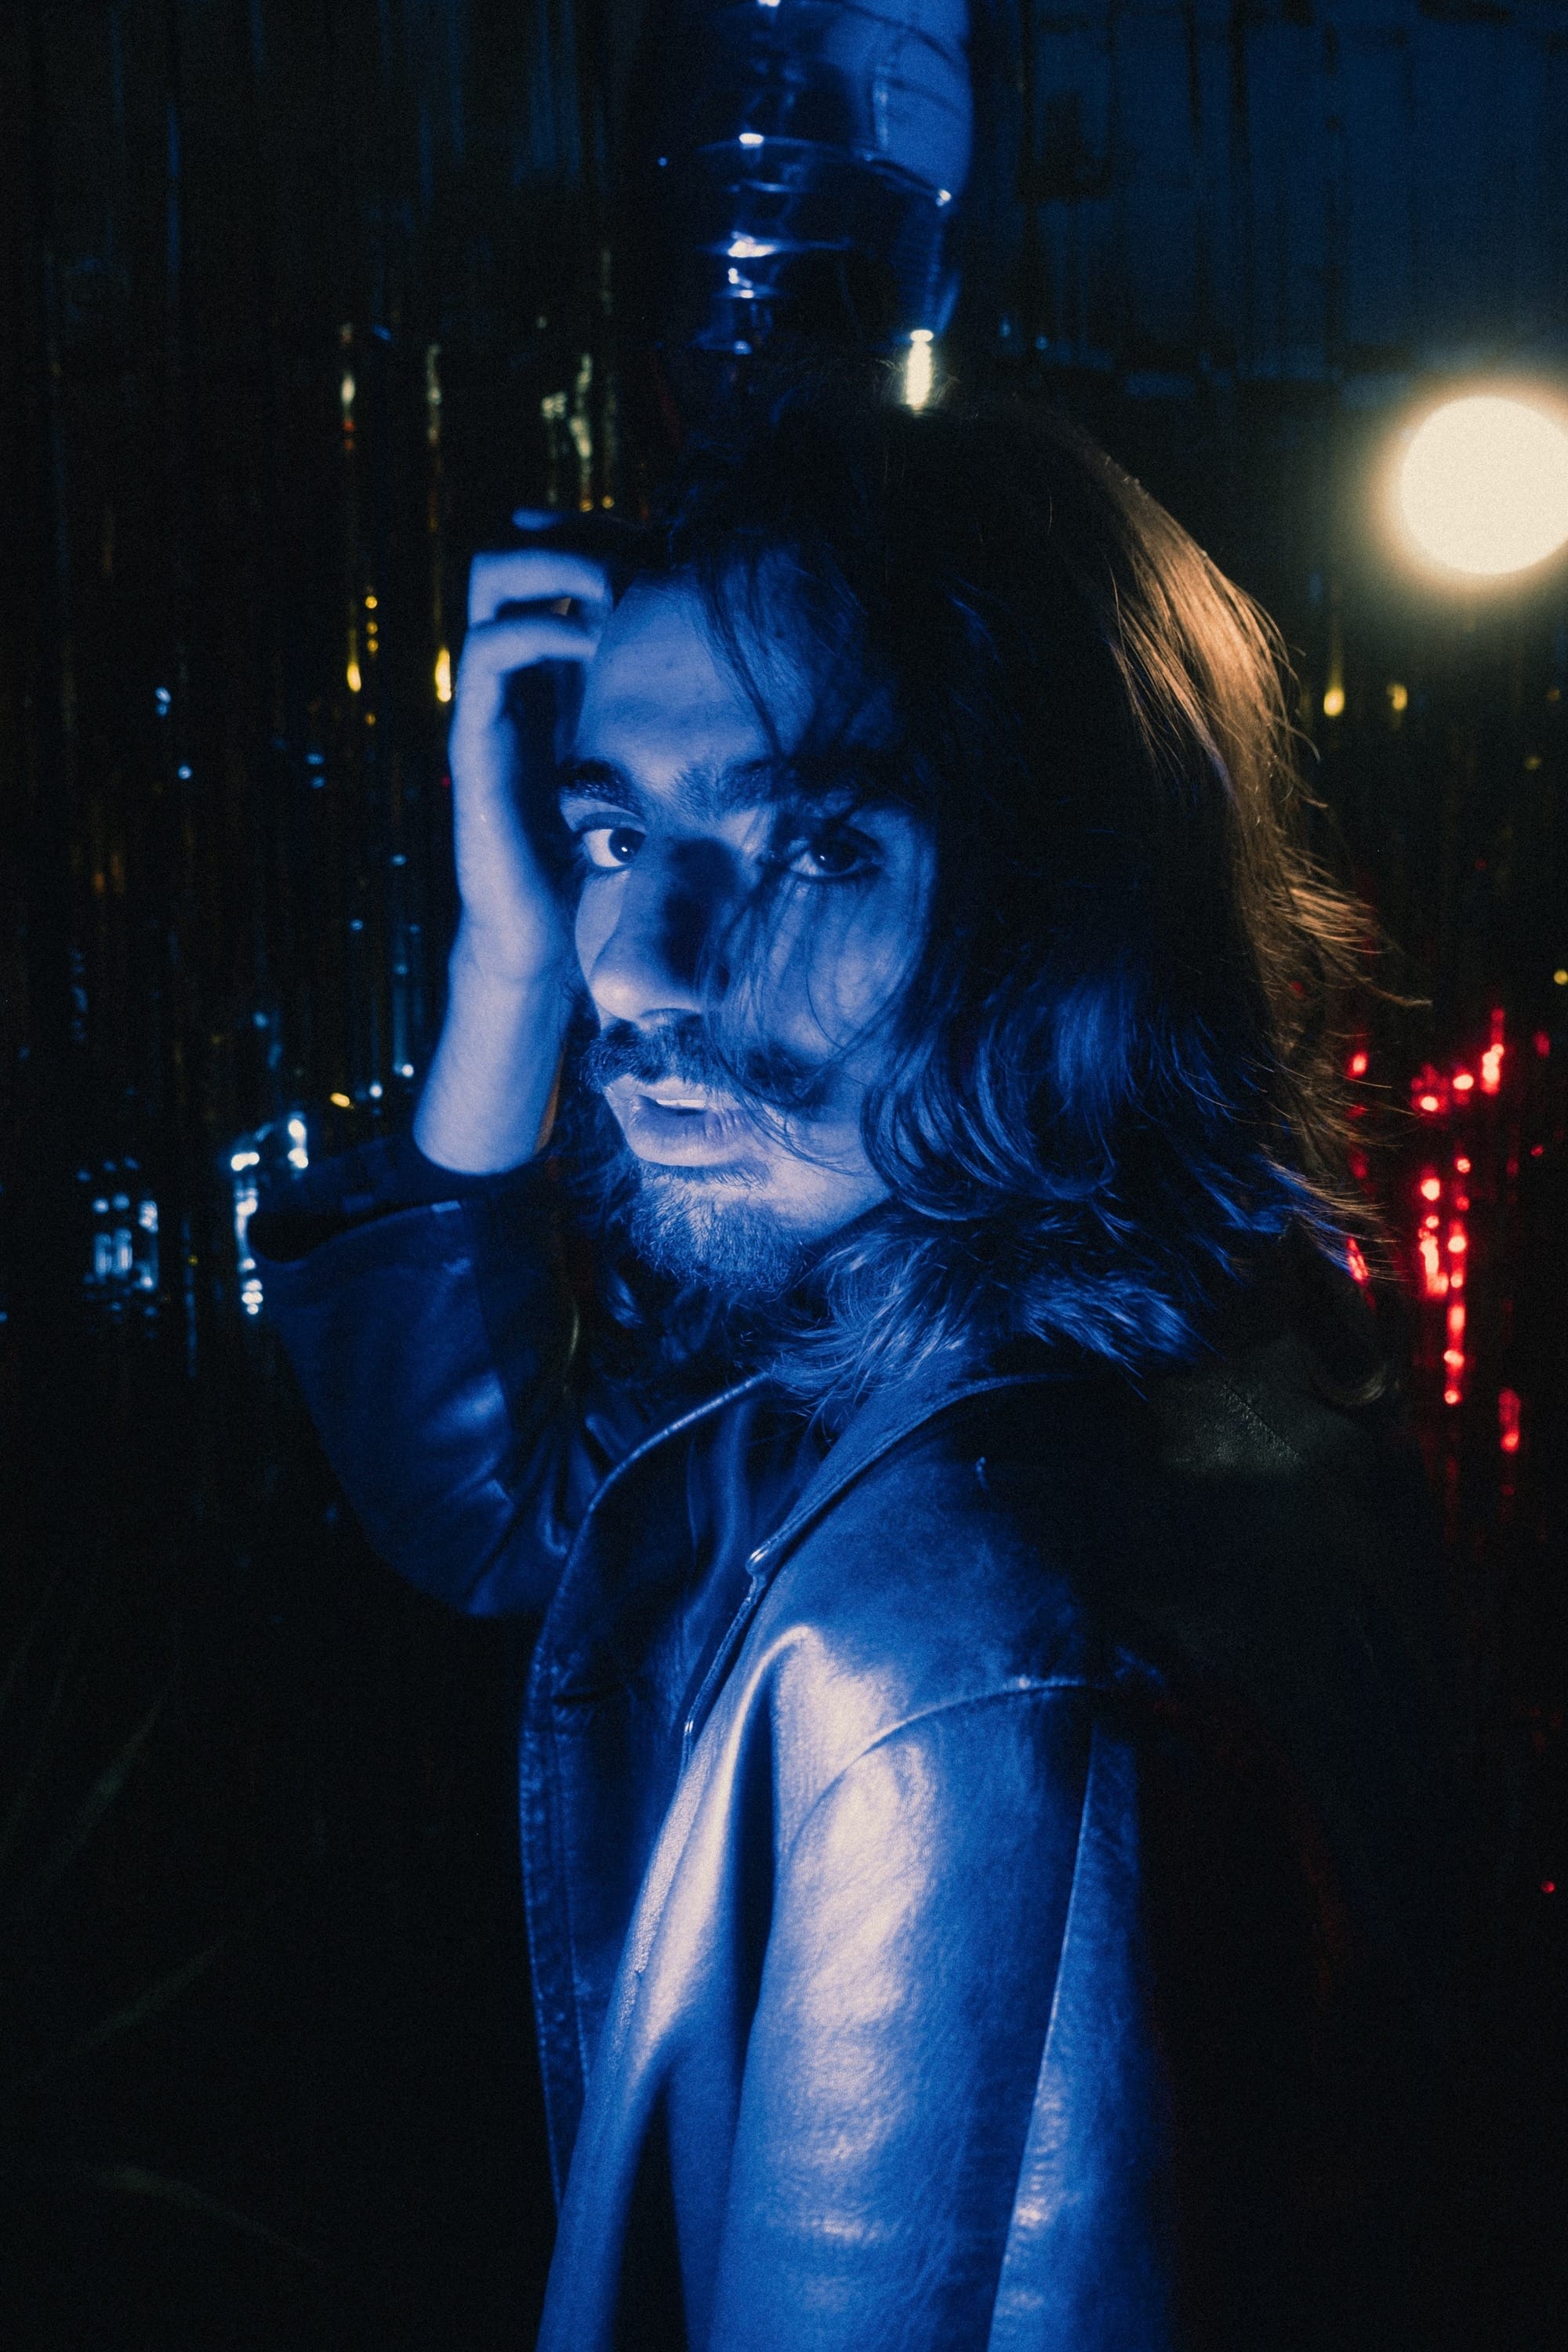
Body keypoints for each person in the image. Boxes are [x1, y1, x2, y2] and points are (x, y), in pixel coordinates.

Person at [253, 385, 1461, 2350]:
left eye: (814, 846)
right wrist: (505, 960)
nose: (638, 963)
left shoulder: (978, 1639)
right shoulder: (986, 1317)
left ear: (1069, 890)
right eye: (612, 832)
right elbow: (494, 1507)